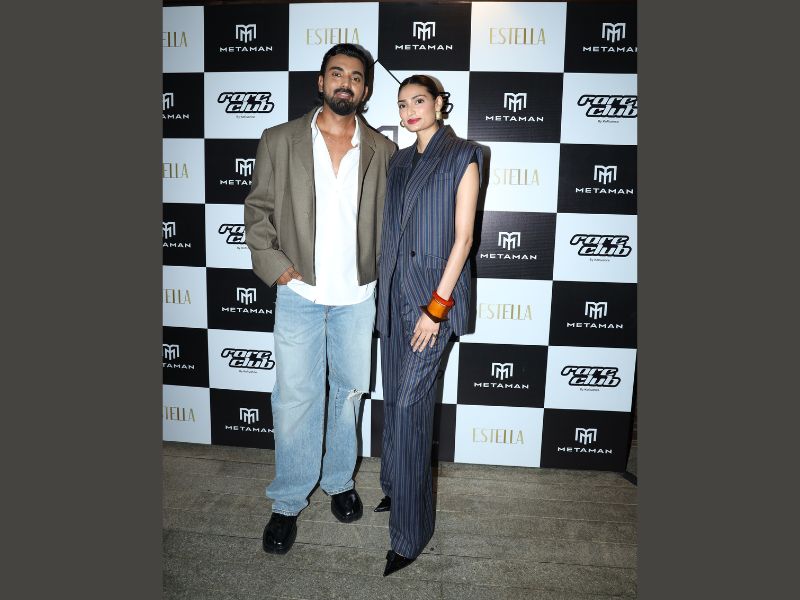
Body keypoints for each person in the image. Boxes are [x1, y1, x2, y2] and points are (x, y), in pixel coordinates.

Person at [243, 43, 396, 555]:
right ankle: (288, 501)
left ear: (365, 90)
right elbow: (257, 210)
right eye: (337, 73)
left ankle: (338, 481)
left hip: (357, 296)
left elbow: (390, 223)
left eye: (355, 77)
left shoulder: (382, 149)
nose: (345, 83)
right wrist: (275, 266)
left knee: (349, 393)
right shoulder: (279, 139)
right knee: (295, 398)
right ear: (321, 81)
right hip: (300, 294)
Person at [375, 75, 483, 576]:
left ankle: (410, 533)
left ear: (439, 103)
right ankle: (395, 489)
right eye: (402, 104)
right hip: (394, 299)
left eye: (419, 100)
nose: (409, 110)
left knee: (411, 410)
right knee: (394, 401)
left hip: (431, 305)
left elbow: (464, 240)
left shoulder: (463, 155)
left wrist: (436, 308)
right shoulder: (398, 161)